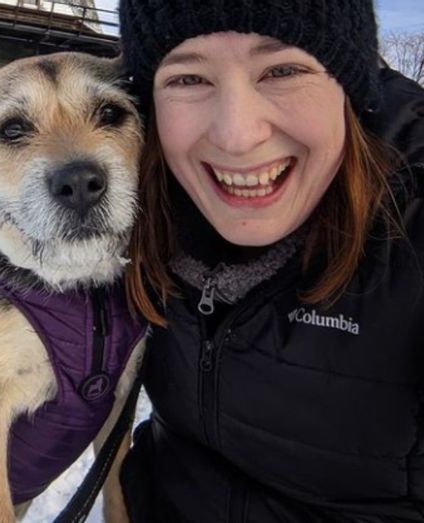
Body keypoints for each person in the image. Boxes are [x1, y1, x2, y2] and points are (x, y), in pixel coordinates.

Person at [117, 0, 424, 521]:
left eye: (283, 70)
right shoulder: (133, 200)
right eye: (188, 79)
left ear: (351, 85)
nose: (237, 135)